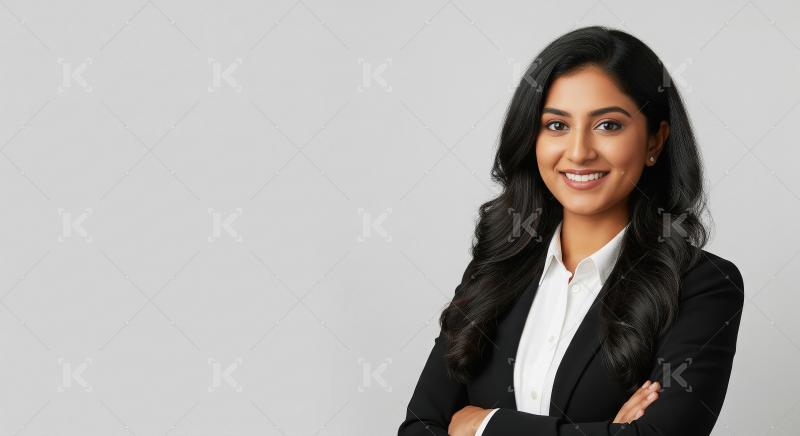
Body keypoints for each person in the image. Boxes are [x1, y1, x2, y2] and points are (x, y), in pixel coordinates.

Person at [397, 25, 744, 436]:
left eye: (608, 125)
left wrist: (484, 425)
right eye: (556, 126)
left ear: (655, 140)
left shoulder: (702, 286)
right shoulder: (494, 270)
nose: (579, 152)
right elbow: (420, 428)